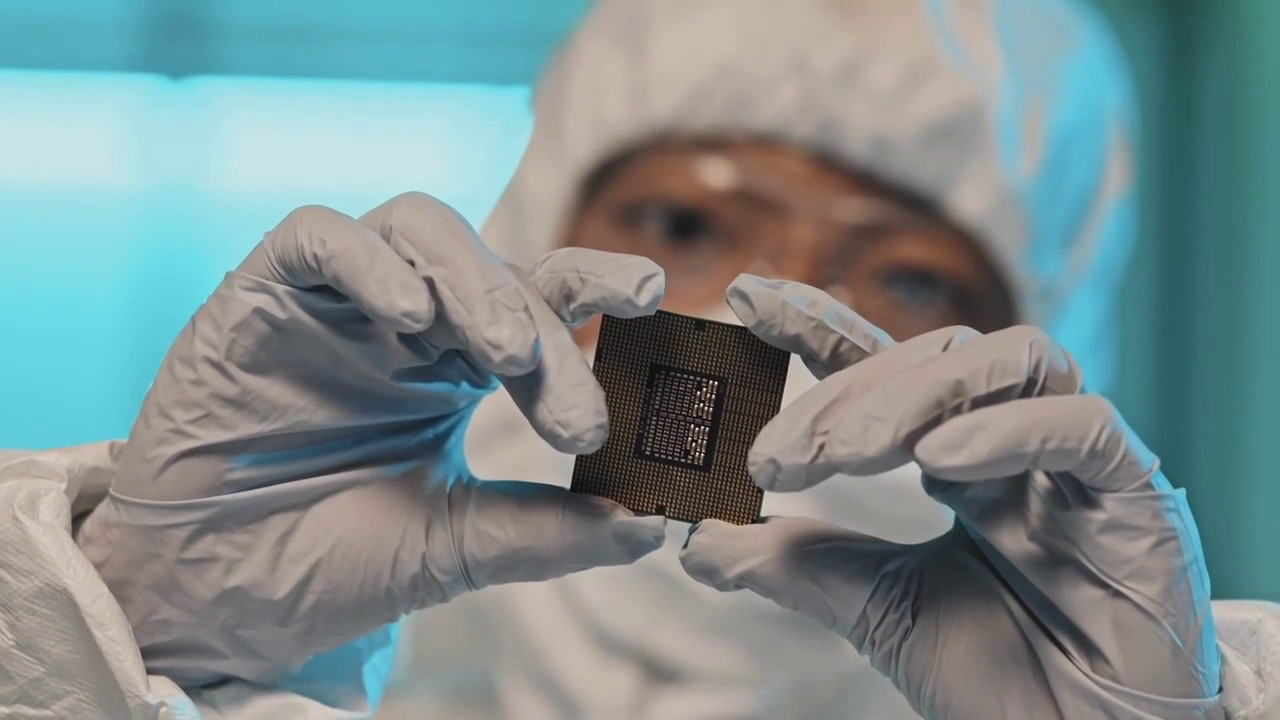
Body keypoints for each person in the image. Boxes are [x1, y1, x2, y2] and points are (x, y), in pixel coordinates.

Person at [1, 3, 1277, 720]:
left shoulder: (1108, 683)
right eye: (678, 223)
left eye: (906, 280)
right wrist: (132, 653)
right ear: (530, 239)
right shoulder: (262, 672)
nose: (759, 328)